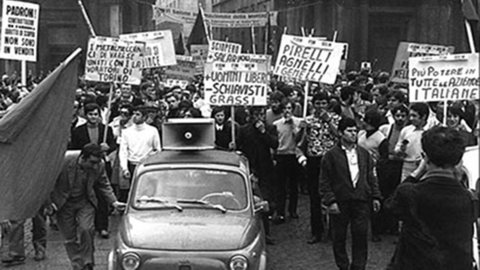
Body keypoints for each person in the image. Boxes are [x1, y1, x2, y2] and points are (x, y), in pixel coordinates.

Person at [386, 126, 475, 270]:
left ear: (425, 157)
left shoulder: (409, 193)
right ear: (458, 160)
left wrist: (416, 173)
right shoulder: (469, 198)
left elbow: (390, 207)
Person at [49, 143, 126, 270]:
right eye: (92, 162)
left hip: (85, 201)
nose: (95, 166)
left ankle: (87, 263)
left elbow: (103, 184)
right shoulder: (63, 160)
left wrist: (114, 202)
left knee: (87, 230)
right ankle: (77, 264)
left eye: (97, 163)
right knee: (69, 238)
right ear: (83, 158)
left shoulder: (99, 165)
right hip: (64, 203)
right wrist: (49, 203)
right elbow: (48, 183)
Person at [320, 117, 382, 270]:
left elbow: (371, 176)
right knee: (339, 237)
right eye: (349, 131)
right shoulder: (331, 156)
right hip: (340, 201)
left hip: (361, 200)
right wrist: (330, 201)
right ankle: (343, 265)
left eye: (355, 131)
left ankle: (358, 266)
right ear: (341, 133)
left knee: (360, 236)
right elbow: (324, 181)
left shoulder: (364, 154)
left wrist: (375, 196)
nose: (353, 134)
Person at [299, 91, 340, 244]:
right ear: (313, 104)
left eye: (323, 103)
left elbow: (339, 136)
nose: (321, 106)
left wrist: (328, 121)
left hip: (331, 160)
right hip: (314, 160)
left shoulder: (336, 118)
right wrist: (301, 129)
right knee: (315, 197)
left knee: (332, 194)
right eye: (318, 103)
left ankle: (333, 230)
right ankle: (316, 231)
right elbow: (299, 141)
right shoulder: (308, 119)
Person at [236, 106, 278, 244]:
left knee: (264, 202)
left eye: (261, 114)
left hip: (266, 170)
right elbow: (239, 146)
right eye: (256, 114)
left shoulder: (269, 128)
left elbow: (274, 144)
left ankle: (266, 233)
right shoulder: (243, 129)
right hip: (249, 169)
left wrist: (263, 132)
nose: (259, 117)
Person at [119, 105, 161, 200]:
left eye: (138, 114)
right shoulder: (126, 132)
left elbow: (158, 150)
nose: (134, 116)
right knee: (132, 193)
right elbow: (123, 152)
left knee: (146, 193)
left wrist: (148, 157)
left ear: (145, 117)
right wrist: (125, 168)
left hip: (147, 166)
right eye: (133, 114)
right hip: (132, 165)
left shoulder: (152, 131)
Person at [272, 100, 302, 223]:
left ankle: (293, 210)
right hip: (281, 155)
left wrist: (295, 127)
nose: (287, 111)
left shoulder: (298, 122)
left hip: (293, 155)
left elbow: (299, 139)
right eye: (285, 108)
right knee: (281, 185)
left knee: (294, 185)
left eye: (289, 108)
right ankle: (280, 211)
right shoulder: (276, 124)